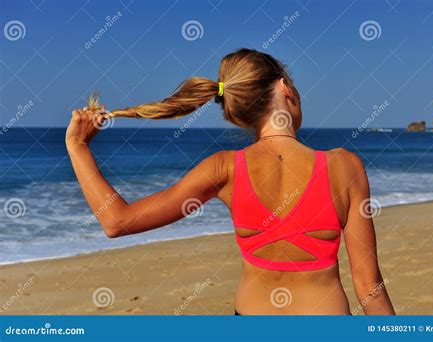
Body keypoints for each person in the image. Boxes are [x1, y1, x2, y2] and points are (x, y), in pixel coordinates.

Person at [66, 48, 395, 315]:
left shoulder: (224, 169)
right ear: (285, 89)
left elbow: (116, 221)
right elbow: (369, 288)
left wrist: (78, 147)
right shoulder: (344, 167)